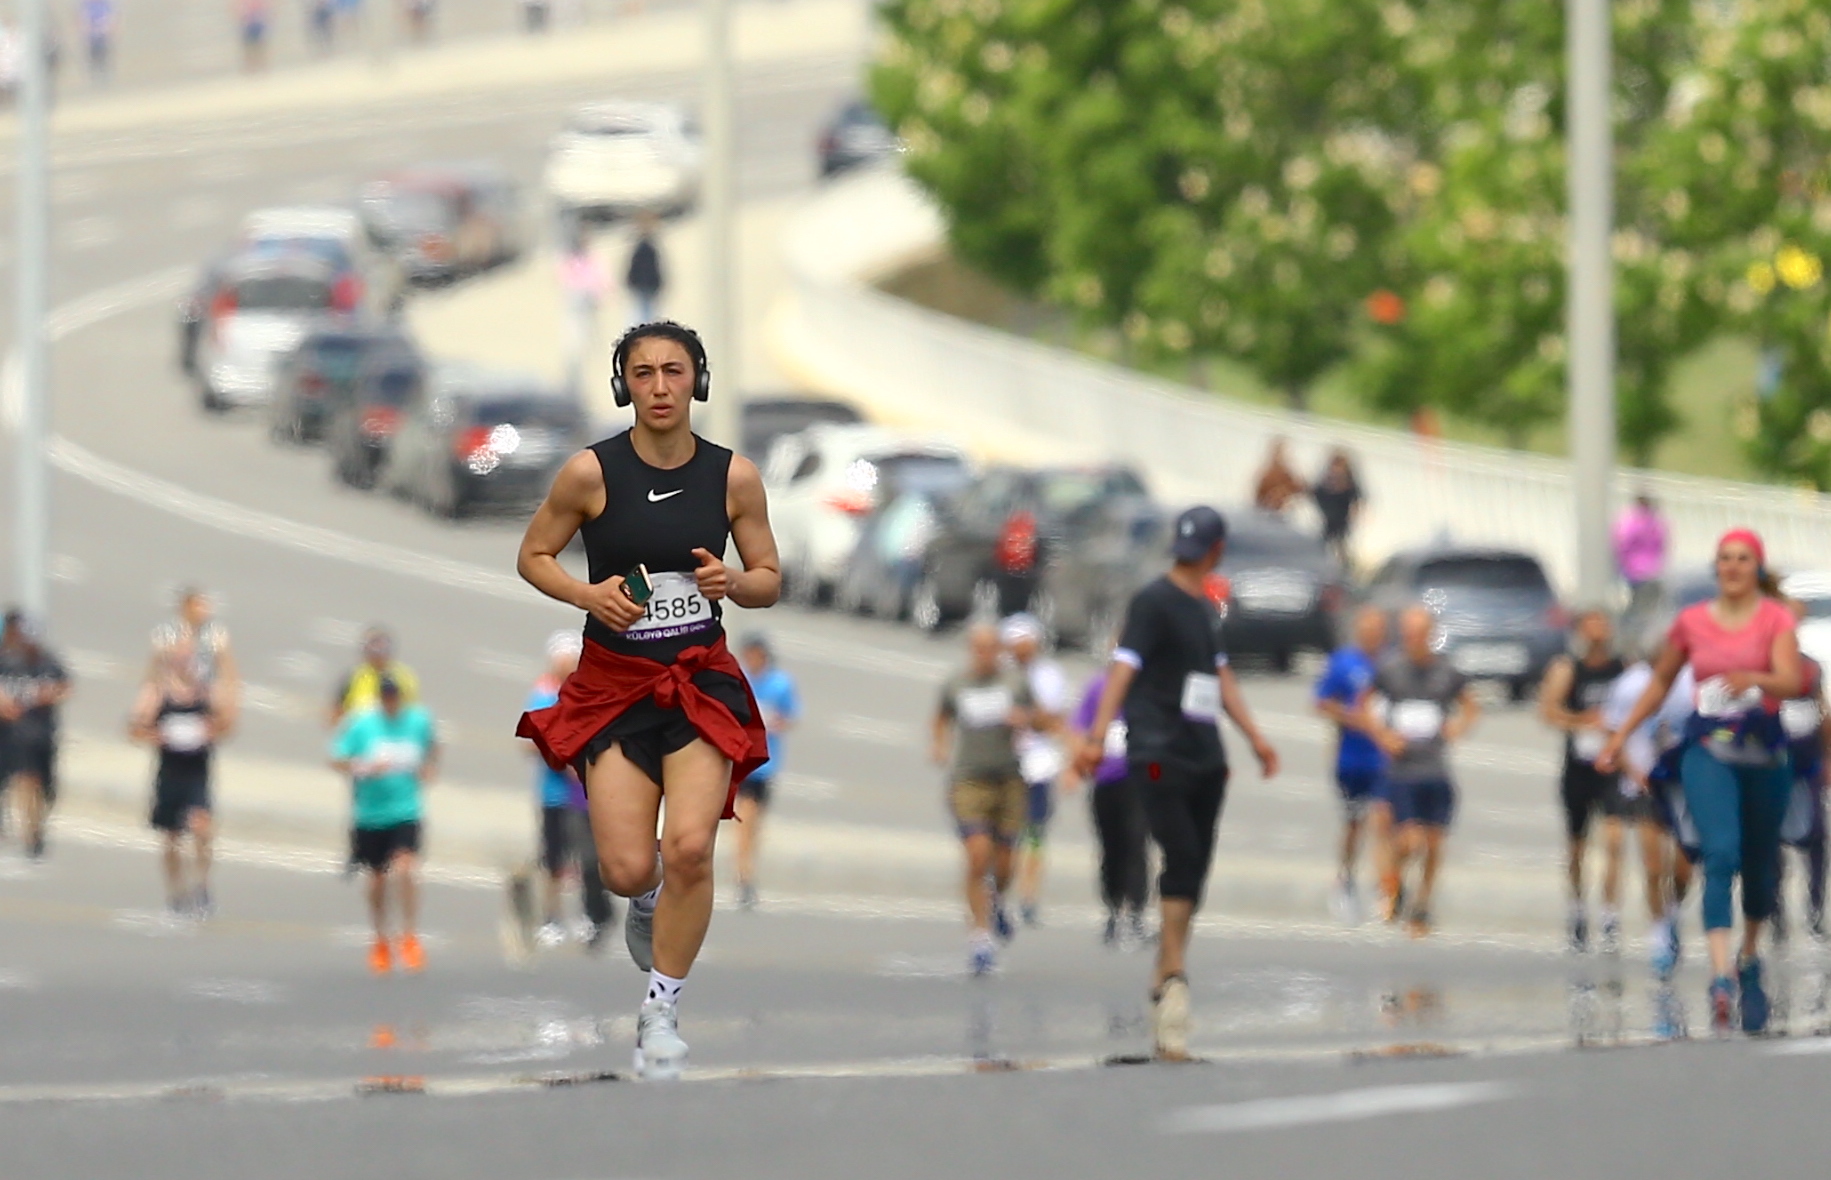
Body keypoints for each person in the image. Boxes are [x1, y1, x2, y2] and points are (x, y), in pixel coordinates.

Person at [516, 320, 777, 1081]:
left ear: (697, 379)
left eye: (672, 371)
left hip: (699, 681)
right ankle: (647, 896)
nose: (658, 387)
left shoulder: (733, 478)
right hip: (615, 686)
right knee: (628, 870)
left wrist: (736, 584)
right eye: (641, 373)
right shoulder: (589, 475)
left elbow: (767, 577)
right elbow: (533, 555)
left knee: (693, 845)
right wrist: (588, 594)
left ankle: (661, 1007)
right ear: (622, 384)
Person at [1074, 506, 1281, 1060]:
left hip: (1204, 754)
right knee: (1179, 846)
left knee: (1194, 864)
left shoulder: (1203, 608)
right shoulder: (1153, 601)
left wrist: (1255, 738)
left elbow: (1222, 678)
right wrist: (1096, 736)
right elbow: (1123, 666)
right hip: (1157, 751)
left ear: (1212, 551)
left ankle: (1166, 967)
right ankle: (1174, 971)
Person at [1597, 528, 1801, 1035]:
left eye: (1743, 558)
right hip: (1708, 749)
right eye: (1725, 559)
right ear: (1716, 568)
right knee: (1721, 853)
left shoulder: (1775, 619)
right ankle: (1718, 973)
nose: (1732, 566)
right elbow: (1661, 681)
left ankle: (1749, 953)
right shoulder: (1691, 622)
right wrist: (1621, 736)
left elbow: (1793, 679)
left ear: (1757, 566)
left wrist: (1756, 680)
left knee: (1758, 864)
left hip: (1764, 752)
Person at [1358, 604, 1481, 938]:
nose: (1413, 640)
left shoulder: (1446, 672)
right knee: (1410, 840)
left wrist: (1459, 727)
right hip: (1403, 770)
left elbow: (1470, 704)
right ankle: (1394, 881)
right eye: (1408, 633)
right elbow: (1365, 703)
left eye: (1420, 633)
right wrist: (1382, 735)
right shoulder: (1391, 670)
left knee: (1435, 843)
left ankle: (1423, 903)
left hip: (1436, 767)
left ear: (1431, 635)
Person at [933, 622, 1032, 975]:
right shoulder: (956, 684)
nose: (985, 655)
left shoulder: (1014, 684)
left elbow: (1043, 719)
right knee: (977, 856)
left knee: (1004, 862)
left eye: (992, 648)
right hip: (969, 780)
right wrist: (940, 743)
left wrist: (1025, 720)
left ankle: (997, 901)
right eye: (979, 648)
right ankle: (980, 937)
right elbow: (941, 716)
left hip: (1008, 780)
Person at [1539, 609, 1638, 954]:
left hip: (1611, 767)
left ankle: (1610, 913)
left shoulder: (1624, 668)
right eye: (1591, 624)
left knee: (1614, 838)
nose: (1598, 630)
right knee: (1577, 844)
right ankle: (1578, 906)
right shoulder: (1568, 669)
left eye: (1603, 623)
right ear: (1581, 631)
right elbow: (1548, 712)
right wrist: (1582, 720)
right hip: (1579, 765)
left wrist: (1618, 728)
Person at [331, 676, 438, 974]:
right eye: (386, 698)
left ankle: (409, 935)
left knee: (405, 867)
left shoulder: (417, 721)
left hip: (406, 809)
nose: (392, 704)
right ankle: (380, 938)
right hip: (370, 813)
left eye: (396, 698)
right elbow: (337, 758)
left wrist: (429, 768)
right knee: (377, 879)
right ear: (380, 699)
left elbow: (432, 746)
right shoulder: (363, 724)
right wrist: (363, 767)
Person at [1602, 650, 1696, 978]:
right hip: (1643, 784)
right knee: (1653, 865)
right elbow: (1614, 730)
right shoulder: (1630, 684)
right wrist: (1632, 771)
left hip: (1684, 783)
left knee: (1684, 866)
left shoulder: (1690, 679)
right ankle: (1658, 933)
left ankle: (1674, 912)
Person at [524, 631, 613, 948]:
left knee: (588, 859)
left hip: (583, 795)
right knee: (553, 859)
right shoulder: (544, 695)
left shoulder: (590, 696)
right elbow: (531, 743)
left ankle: (590, 914)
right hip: (553, 792)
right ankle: (551, 916)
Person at [131, 641, 224, 917]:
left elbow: (225, 722)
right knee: (171, 837)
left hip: (197, 770)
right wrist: (159, 735)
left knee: (202, 828)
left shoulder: (207, 693)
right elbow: (136, 727)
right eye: (181, 660)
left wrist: (209, 731)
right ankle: (176, 892)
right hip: (170, 771)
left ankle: (202, 886)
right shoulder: (159, 693)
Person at [1312, 606, 1389, 925]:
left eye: (1378, 631)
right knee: (1355, 823)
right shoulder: (1344, 663)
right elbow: (1321, 702)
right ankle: (1345, 878)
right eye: (1367, 631)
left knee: (1385, 819)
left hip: (1386, 758)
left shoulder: (1392, 663)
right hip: (1353, 758)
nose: (1373, 637)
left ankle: (1385, 887)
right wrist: (1351, 717)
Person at [1073, 658, 1148, 946]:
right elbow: (1080, 726)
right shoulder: (1098, 686)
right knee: (1110, 846)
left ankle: (1137, 911)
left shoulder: (1148, 685)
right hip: (1106, 779)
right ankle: (1114, 907)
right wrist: (1078, 765)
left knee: (1137, 842)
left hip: (1140, 780)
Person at [1003, 612, 1068, 928]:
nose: (1022, 651)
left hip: (1039, 767)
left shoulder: (1049, 675)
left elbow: (1051, 722)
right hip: (1004, 766)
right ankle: (998, 895)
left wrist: (1025, 716)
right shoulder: (999, 673)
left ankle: (1028, 897)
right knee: (1003, 836)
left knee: (1035, 836)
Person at [1774, 598, 1828, 944]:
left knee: (1817, 835)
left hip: (1807, 760)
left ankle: (1816, 905)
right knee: (1772, 838)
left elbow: (1823, 710)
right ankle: (1776, 910)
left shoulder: (1811, 667)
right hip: (1773, 761)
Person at [733, 633, 798, 910]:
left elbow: (791, 717)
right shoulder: (740, 680)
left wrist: (773, 723)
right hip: (741, 761)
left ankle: (747, 874)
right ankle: (744, 878)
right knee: (745, 821)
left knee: (754, 826)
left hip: (766, 765)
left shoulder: (780, 684)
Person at [0, 611, 70, 861]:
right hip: (13, 735)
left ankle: (37, 825)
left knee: (45, 787)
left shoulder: (49, 663)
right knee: (22, 781)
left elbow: (65, 687)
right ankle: (31, 833)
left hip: (42, 734)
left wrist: (46, 695)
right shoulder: (9, 662)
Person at [149, 587, 240, 729]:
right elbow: (156, 668)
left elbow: (227, 668)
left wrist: (229, 702)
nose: (203, 611)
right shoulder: (167, 633)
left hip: (204, 694)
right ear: (185, 608)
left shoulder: (215, 634)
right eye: (198, 606)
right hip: (173, 695)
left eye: (205, 607)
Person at [330, 626, 419, 725]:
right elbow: (336, 712)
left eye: (382, 648)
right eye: (373, 647)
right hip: (361, 734)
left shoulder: (404, 676)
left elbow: (412, 710)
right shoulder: (353, 677)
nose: (378, 653)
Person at [560, 224, 607, 398]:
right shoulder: (573, 259)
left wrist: (601, 291)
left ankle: (584, 359)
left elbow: (599, 275)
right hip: (577, 299)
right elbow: (566, 278)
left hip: (586, 299)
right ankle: (575, 365)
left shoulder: (587, 258)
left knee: (586, 331)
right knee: (576, 333)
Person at [1613, 493, 1668, 645]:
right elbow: (1662, 545)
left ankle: (1629, 637)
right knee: (1649, 609)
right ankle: (1645, 637)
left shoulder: (1630, 521)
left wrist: (1619, 565)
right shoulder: (1657, 523)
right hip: (1652, 572)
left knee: (1632, 608)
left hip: (1632, 572)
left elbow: (1621, 543)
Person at [1310, 449, 1363, 569]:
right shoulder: (1327, 479)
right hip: (1328, 517)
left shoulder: (1349, 482)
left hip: (1341, 518)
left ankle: (1345, 568)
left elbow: (1357, 499)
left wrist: (1355, 514)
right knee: (1323, 543)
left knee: (1341, 545)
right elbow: (1316, 492)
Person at [625, 215, 664, 327]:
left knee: (646, 312)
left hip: (647, 285)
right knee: (643, 312)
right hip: (644, 285)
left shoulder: (647, 247)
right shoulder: (645, 247)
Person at [1252, 437, 1304, 514]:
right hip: (1266, 512)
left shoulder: (1289, 474)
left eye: (1283, 452)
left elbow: (1300, 491)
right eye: (1278, 452)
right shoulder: (1266, 475)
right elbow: (1258, 499)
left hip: (1284, 514)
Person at [77, 0, 113, 82]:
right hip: (92, 36)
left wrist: (108, 29)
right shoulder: (87, 4)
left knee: (103, 55)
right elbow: (82, 17)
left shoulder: (105, 4)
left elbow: (110, 16)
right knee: (93, 56)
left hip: (102, 34)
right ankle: (94, 75)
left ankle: (103, 74)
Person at [235, 0, 269, 72]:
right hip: (249, 25)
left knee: (258, 46)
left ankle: (259, 65)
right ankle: (252, 66)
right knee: (249, 47)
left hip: (255, 24)